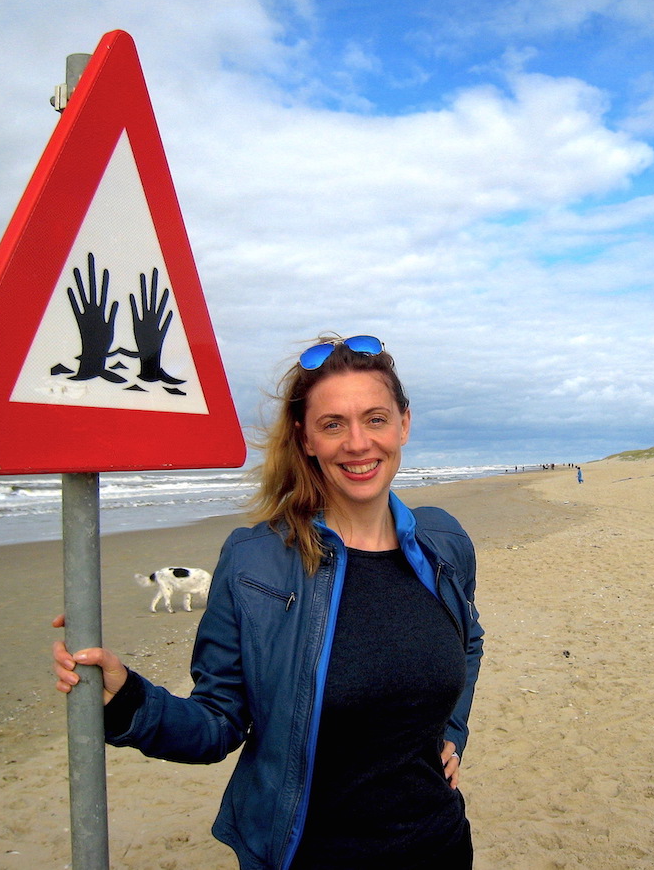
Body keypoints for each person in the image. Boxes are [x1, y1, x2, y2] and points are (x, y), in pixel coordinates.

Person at [52, 335, 483, 869]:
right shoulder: (256, 562)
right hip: (308, 856)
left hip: (438, 846)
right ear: (305, 439)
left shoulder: (444, 543)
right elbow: (215, 724)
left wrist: (452, 733)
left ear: (403, 425)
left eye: (375, 419)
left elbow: (469, 642)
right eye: (333, 425)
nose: (357, 442)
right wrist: (125, 698)